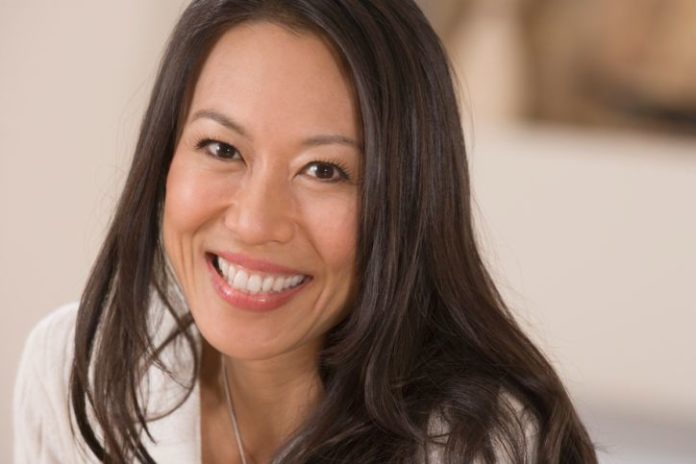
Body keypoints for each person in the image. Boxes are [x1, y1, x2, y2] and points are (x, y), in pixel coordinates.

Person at [13, 1, 597, 463]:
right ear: (164, 160)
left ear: (406, 201)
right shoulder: (77, 368)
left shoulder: (481, 446)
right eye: (221, 148)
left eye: (324, 171)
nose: (254, 221)